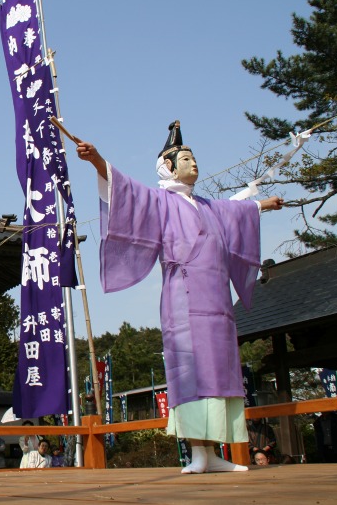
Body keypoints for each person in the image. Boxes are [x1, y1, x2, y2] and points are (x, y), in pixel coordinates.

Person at [74, 121, 284, 475]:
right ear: (168, 167)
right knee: (191, 370)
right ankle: (197, 453)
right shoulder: (159, 200)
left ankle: (212, 453)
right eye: (185, 158)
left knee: (218, 369)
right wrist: (98, 161)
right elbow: (127, 192)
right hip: (183, 299)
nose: (193, 163)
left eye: (193, 157)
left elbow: (237, 211)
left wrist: (263, 204)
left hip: (217, 302)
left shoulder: (209, 206)